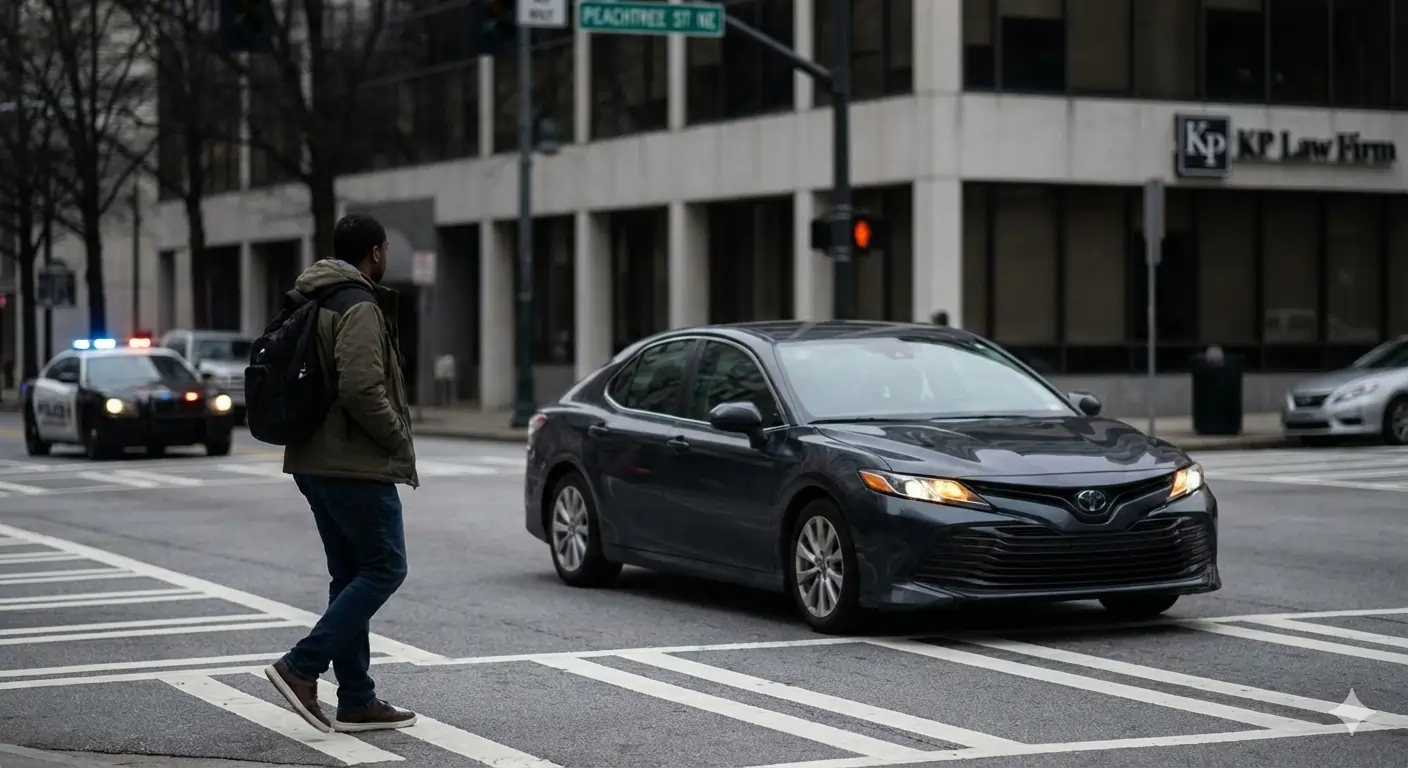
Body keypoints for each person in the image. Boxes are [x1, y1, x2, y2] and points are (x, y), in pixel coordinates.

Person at [263, 213, 420, 733]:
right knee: (385, 568)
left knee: (350, 576)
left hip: (314, 458)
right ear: (375, 252)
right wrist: (398, 437)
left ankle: (356, 698)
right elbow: (360, 389)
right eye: (384, 251)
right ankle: (301, 665)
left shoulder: (312, 297)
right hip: (353, 463)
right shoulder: (359, 306)